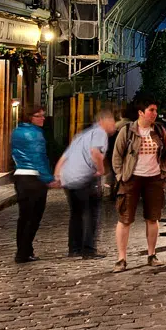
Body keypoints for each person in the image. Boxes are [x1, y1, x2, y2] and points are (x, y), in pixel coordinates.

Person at [112, 100, 166, 271]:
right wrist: (120, 176)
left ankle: (151, 254)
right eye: (151, 110)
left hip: (154, 179)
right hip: (131, 178)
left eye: (156, 110)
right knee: (125, 218)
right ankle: (121, 258)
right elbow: (117, 155)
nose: (154, 113)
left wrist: (164, 174)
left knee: (153, 218)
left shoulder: (159, 131)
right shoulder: (128, 131)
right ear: (141, 112)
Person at [58, 108, 116, 257]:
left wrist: (58, 175)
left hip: (69, 179)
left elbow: (64, 157)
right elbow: (95, 152)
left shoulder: (81, 135)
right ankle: (89, 250)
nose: (114, 124)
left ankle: (74, 248)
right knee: (92, 213)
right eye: (112, 120)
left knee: (76, 214)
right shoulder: (100, 133)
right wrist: (101, 170)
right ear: (102, 121)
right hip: (85, 178)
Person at [10, 106, 59, 263]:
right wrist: (49, 178)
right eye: (39, 116)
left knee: (23, 217)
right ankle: (23, 252)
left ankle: (24, 250)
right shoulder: (36, 134)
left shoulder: (16, 131)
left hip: (20, 177)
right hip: (34, 179)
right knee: (34, 217)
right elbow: (38, 158)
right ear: (30, 117)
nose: (43, 119)